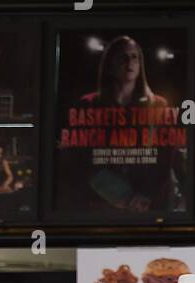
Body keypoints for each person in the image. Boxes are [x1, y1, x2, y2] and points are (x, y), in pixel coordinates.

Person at [65, 34, 185, 212]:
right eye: (123, 56)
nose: (130, 61)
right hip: (102, 203)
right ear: (110, 64)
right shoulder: (88, 105)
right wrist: (119, 195)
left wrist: (145, 194)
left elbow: (165, 157)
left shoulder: (158, 105)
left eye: (134, 57)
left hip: (148, 205)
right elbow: (81, 158)